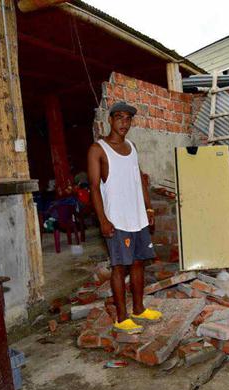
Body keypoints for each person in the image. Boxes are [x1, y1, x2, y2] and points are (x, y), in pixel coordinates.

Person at [87, 101, 162, 334]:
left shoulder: (132, 146)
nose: (124, 123)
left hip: (137, 216)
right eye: (119, 117)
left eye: (128, 119)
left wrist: (148, 209)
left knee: (138, 263)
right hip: (117, 219)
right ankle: (122, 318)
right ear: (110, 120)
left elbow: (140, 179)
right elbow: (94, 188)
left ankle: (139, 309)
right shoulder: (98, 149)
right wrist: (103, 220)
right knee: (120, 268)